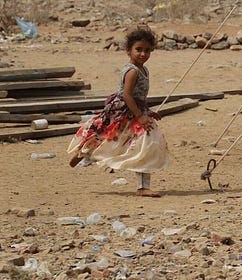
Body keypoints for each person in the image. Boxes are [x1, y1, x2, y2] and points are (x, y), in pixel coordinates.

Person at [67, 25, 170, 197]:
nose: (143, 54)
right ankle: (87, 153)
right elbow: (127, 95)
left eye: (147, 50)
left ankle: (88, 154)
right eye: (138, 50)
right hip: (124, 112)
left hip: (135, 110)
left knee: (141, 146)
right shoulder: (132, 71)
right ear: (129, 51)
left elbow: (138, 98)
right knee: (124, 143)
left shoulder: (144, 70)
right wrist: (140, 116)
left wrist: (148, 112)